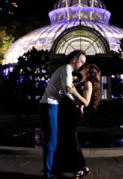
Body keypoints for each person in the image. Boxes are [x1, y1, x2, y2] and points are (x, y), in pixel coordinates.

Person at [39, 50, 86, 179]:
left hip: (52, 105)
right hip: (49, 105)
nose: (82, 65)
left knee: (54, 140)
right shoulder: (66, 68)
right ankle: (48, 174)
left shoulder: (66, 70)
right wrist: (80, 104)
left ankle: (53, 169)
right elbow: (68, 91)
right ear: (74, 60)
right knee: (51, 141)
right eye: (81, 62)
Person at [53, 64, 101, 179]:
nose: (83, 66)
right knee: (68, 139)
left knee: (71, 139)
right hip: (66, 112)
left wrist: (74, 92)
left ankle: (79, 169)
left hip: (73, 113)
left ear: (89, 72)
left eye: (86, 66)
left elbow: (86, 102)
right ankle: (83, 167)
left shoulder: (87, 84)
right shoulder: (78, 81)